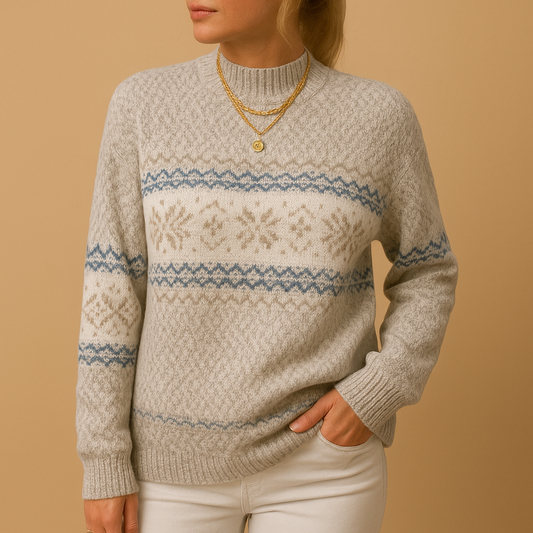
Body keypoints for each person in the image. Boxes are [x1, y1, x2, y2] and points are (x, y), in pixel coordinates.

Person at [76, 0, 458, 532]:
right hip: (170, 469)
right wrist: (103, 460)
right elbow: (111, 290)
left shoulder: (378, 117)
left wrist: (381, 388)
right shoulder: (143, 105)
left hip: (323, 469)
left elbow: (428, 269)